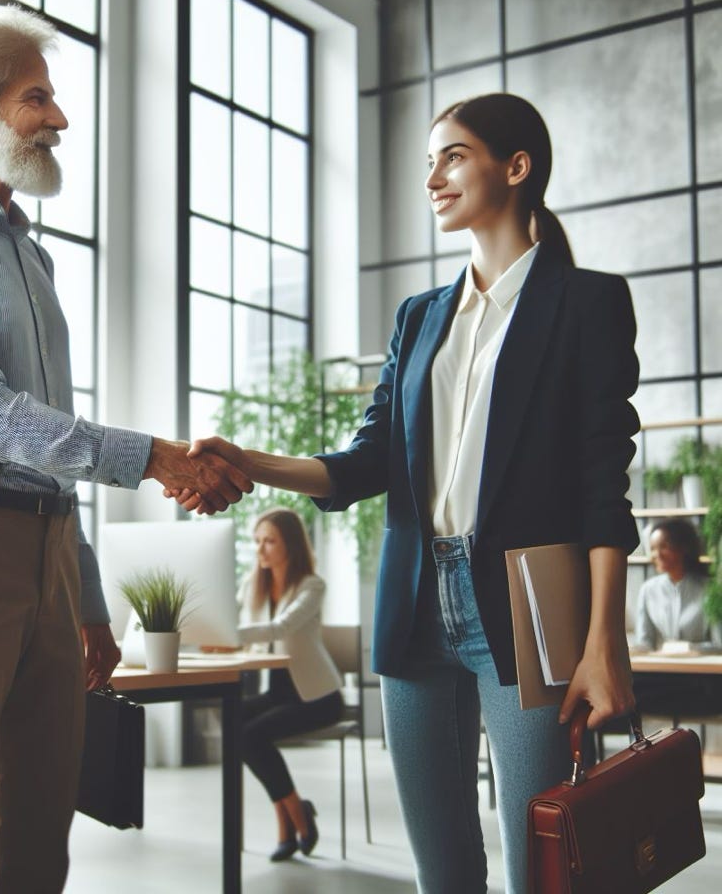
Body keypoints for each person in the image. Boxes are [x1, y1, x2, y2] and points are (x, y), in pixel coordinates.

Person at [173, 94, 640, 893]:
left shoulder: (585, 302)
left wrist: (605, 642)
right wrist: (250, 460)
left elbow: (604, 487)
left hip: (529, 608)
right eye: (429, 160)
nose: (433, 176)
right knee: (443, 873)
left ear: (516, 167)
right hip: (415, 600)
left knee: (547, 869)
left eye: (452, 155)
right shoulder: (419, 318)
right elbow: (367, 461)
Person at [0, 8, 250, 893]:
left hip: (43, 549)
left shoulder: (33, 261)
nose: (60, 118)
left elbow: (47, 439)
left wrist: (81, 593)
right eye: (36, 97)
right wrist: (157, 456)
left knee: (41, 833)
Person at [235, 508, 343, 862]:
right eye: (257, 541)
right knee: (233, 721)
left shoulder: (312, 586)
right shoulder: (253, 585)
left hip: (317, 697)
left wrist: (230, 635)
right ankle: (296, 811)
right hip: (278, 692)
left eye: (269, 541)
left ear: (290, 545)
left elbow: (281, 627)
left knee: (250, 736)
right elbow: (230, 618)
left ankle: (291, 820)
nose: (261, 549)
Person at [630, 517, 720, 715]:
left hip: (702, 679)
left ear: (683, 548)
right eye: (653, 548)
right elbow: (645, 643)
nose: (656, 554)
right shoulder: (648, 590)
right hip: (665, 676)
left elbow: (720, 645)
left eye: (664, 546)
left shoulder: (711, 589)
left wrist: (688, 649)